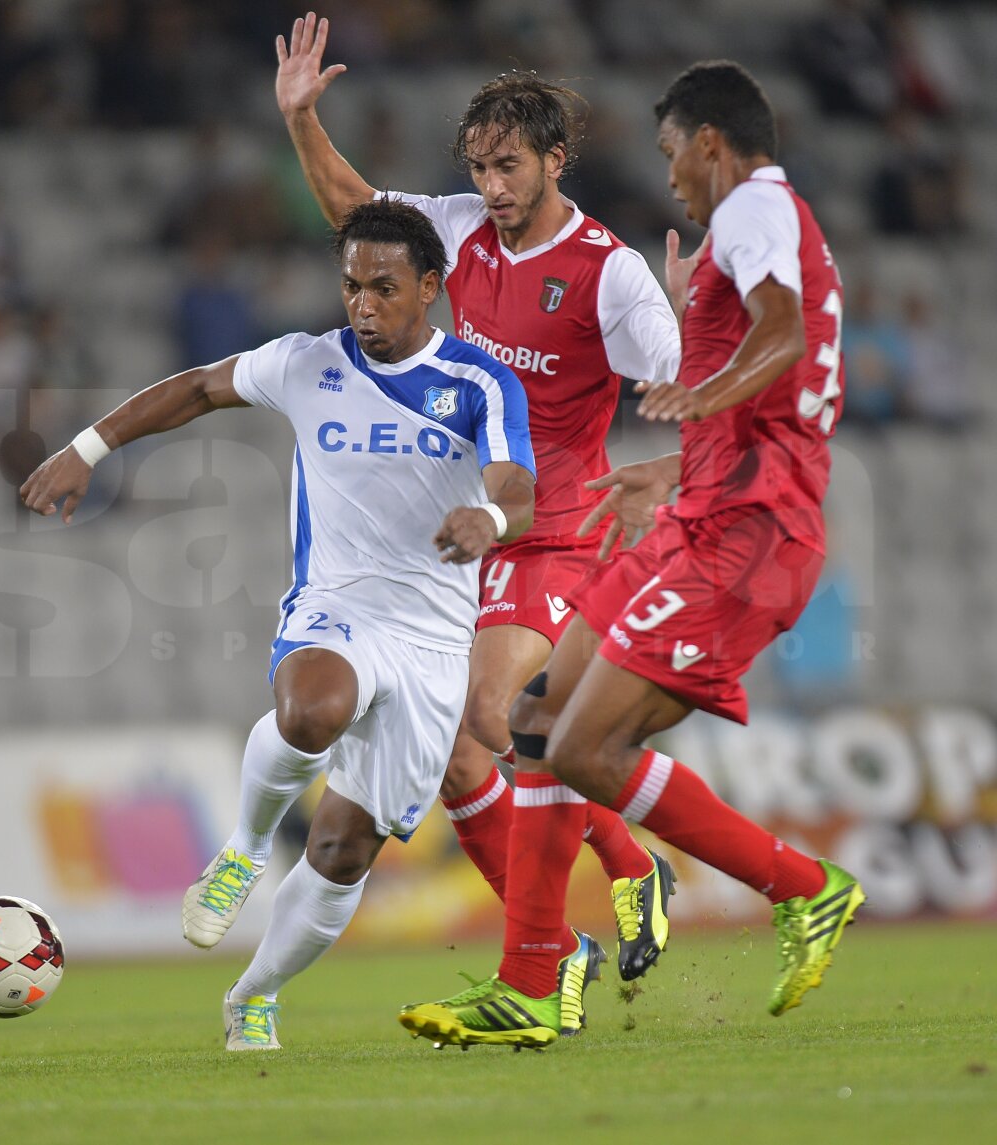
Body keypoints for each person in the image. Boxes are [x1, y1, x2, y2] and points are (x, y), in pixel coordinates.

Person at [399, 60, 866, 1049]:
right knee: (532, 717)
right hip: (708, 508)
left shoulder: (751, 208)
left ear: (708, 143)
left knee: (582, 746)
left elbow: (781, 335)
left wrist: (701, 391)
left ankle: (806, 886)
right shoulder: (748, 232)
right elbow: (773, 347)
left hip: (752, 530)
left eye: (670, 154)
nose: (670, 180)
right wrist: (681, 446)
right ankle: (531, 978)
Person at [20, 198, 540, 1051]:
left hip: (435, 639)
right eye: (350, 287)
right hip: (336, 604)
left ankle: (252, 993)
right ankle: (241, 849)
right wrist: (87, 448)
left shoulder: (480, 382)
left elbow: (517, 488)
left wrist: (488, 515)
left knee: (342, 851)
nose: (362, 305)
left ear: (431, 289)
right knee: (311, 708)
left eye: (383, 287)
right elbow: (194, 389)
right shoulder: (306, 362)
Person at [276, 12, 682, 1008]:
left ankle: (636, 870)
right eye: (479, 166)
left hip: (557, 530)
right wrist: (300, 120)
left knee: (495, 713)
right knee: (446, 749)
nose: (492, 186)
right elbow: (356, 214)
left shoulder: (610, 274)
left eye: (509, 166)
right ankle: (552, 949)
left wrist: (673, 450)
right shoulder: (453, 228)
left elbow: (686, 390)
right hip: (466, 532)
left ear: (555, 159)